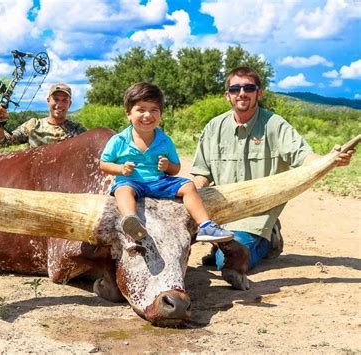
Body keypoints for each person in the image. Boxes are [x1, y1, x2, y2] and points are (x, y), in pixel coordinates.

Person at [190, 66, 355, 288]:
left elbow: (303, 157)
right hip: (221, 216)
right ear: (227, 94)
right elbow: (201, 174)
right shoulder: (214, 128)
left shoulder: (275, 125)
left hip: (257, 216)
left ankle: (267, 241)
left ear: (259, 92)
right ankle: (223, 243)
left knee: (226, 263)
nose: (242, 93)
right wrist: (187, 198)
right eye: (235, 88)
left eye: (249, 87)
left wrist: (329, 160)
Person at [100, 82, 234, 243]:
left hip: (158, 181)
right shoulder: (119, 140)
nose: (147, 115)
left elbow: (176, 168)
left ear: (161, 115)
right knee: (122, 190)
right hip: (131, 181)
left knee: (188, 186)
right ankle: (131, 221)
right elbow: (104, 164)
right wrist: (121, 169)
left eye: (154, 110)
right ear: (128, 113)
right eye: (141, 110)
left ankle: (206, 225)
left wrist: (167, 166)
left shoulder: (165, 141)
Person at [0, 83, 86, 148]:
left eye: (64, 100)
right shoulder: (33, 125)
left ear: (69, 104)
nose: (59, 104)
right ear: (48, 101)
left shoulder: (78, 131)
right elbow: (1, 143)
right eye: (56, 99)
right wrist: (0, 122)